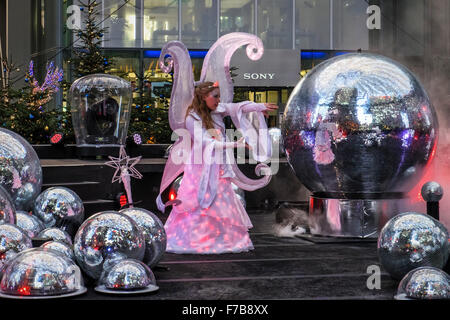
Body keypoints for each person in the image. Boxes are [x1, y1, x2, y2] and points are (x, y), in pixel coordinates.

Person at [163, 81, 278, 254]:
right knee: (198, 202)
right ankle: (194, 238)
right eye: (215, 96)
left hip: (219, 165)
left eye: (219, 96)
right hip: (200, 167)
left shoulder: (216, 110)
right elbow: (205, 142)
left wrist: (259, 106)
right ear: (203, 97)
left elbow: (237, 107)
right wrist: (234, 144)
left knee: (220, 199)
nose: (218, 100)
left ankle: (220, 238)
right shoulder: (191, 118)